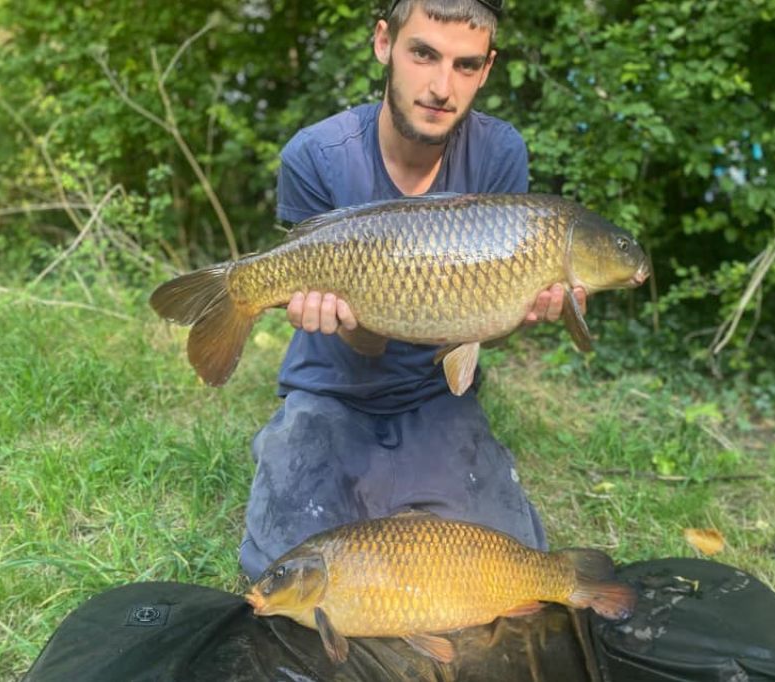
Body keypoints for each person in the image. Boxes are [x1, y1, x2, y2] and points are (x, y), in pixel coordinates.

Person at [239, 0, 588, 580]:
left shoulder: (502, 153)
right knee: (291, 576)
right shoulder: (315, 156)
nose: (441, 86)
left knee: (499, 572)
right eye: (423, 53)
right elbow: (361, 343)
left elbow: (481, 327)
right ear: (384, 43)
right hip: (331, 388)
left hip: (438, 394)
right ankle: (289, 445)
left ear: (487, 69)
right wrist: (354, 325)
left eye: (466, 65)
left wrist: (519, 311)